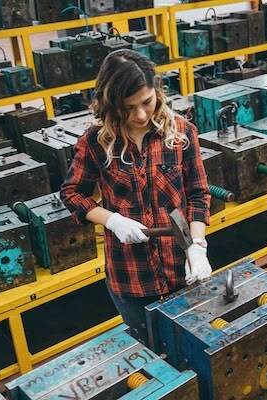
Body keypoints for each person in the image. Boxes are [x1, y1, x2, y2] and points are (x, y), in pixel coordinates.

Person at [60, 49, 212, 343]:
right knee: (151, 353)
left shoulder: (181, 133)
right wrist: (112, 220)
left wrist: (197, 245)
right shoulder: (95, 142)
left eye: (147, 102)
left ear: (157, 89)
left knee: (195, 348)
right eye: (128, 108)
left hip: (183, 268)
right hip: (131, 277)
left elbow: (198, 194)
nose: (141, 115)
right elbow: (71, 193)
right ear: (110, 104)